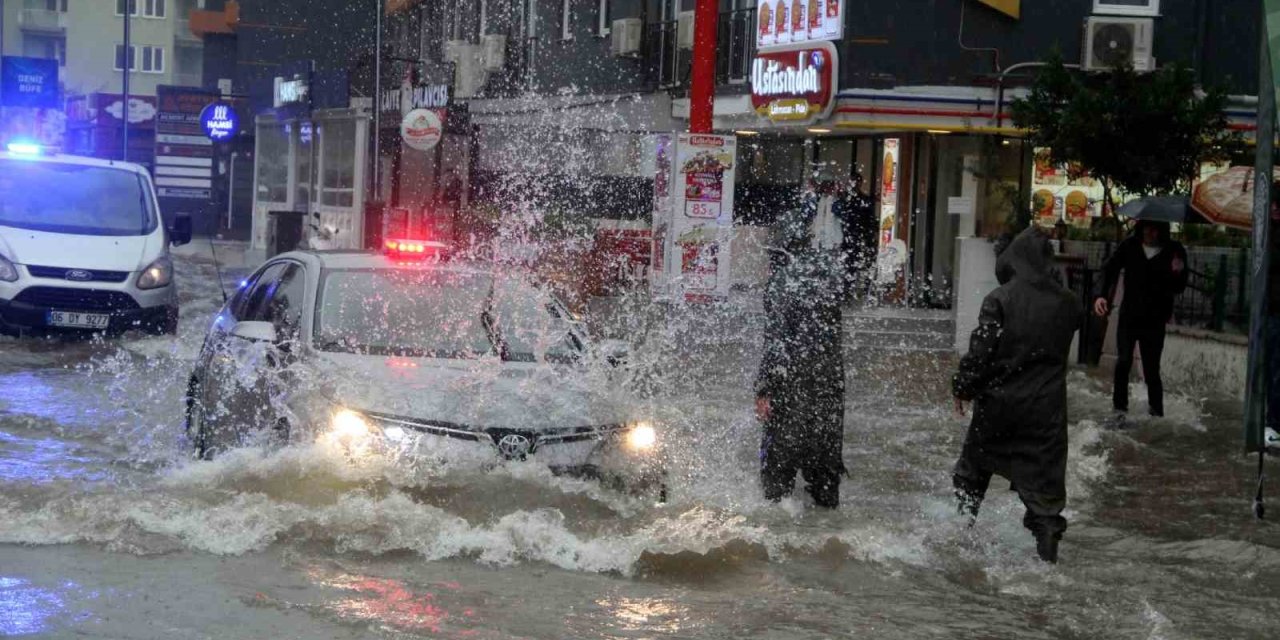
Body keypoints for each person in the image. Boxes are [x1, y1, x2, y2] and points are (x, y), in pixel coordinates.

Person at [952, 227, 1082, 563]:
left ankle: (959, 541)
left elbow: (980, 353)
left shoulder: (1000, 299)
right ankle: (1048, 562)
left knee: (972, 475)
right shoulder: (1068, 303)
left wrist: (962, 388)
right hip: (1046, 415)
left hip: (999, 407)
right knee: (1046, 497)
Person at [755, 204, 847, 508]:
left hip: (791, 387)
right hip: (829, 388)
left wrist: (764, 389)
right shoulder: (827, 276)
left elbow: (777, 341)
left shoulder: (781, 282)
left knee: (777, 477)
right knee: (824, 468)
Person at [1094, 220, 1188, 419]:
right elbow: (1109, 269)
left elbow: (1180, 286)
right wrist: (1101, 295)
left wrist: (1177, 271)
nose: (1150, 233)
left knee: (1151, 368)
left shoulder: (1174, 250)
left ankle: (1156, 413)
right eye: (1146, 228)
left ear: (1162, 230)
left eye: (1155, 229)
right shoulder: (1129, 246)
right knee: (1123, 361)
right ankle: (1119, 410)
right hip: (1130, 316)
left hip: (1155, 319)